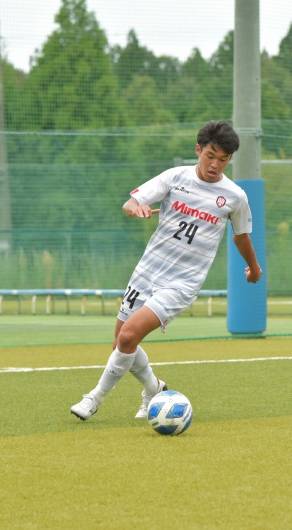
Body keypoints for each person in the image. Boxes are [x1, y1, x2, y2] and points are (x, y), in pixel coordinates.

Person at [71, 120, 264, 420]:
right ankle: (154, 389)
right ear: (198, 150)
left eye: (223, 159)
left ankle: (94, 398)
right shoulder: (175, 177)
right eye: (210, 156)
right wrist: (136, 207)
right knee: (121, 343)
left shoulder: (235, 196)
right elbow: (131, 202)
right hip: (147, 272)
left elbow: (241, 236)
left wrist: (254, 268)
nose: (215, 165)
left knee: (128, 337)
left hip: (182, 283)